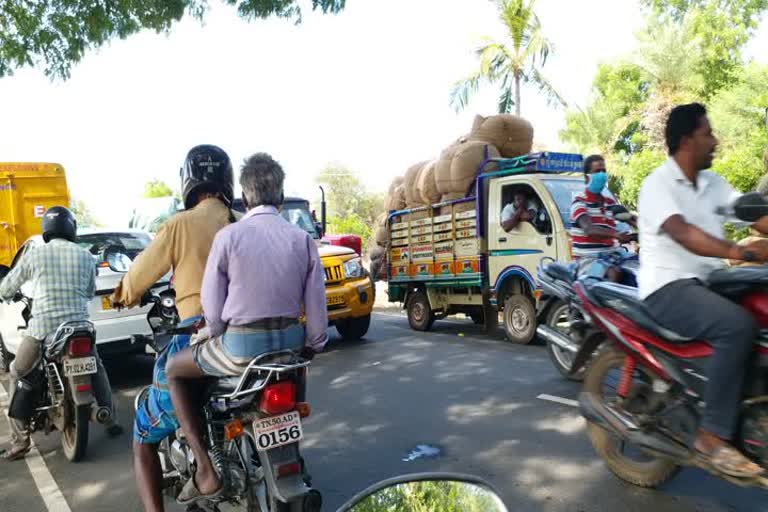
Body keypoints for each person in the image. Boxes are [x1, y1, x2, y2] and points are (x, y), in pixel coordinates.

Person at [165, 152, 328, 504]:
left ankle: (206, 471)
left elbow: (213, 310)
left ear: (246, 196)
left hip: (240, 350)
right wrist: (313, 344)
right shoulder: (302, 240)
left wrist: (213, 330)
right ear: (281, 197)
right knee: (296, 373)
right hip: (288, 349)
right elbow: (317, 317)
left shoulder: (229, 237)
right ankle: (292, 458)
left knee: (174, 370)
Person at [638, 103, 768, 478]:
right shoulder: (657, 184)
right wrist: (739, 251)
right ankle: (711, 437)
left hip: (711, 280)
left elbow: (752, 214)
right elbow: (684, 234)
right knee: (737, 326)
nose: (715, 141)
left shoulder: (714, 184)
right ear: (686, 140)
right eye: (708, 134)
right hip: (668, 286)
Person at [110, 144, 236, 512]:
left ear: (189, 182)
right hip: (246, 334)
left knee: (141, 433)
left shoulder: (179, 224)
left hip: (196, 335)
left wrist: (122, 296)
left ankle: (198, 471)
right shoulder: (241, 222)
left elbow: (137, 277)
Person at [0, 206, 122, 461]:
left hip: (43, 328)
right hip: (80, 328)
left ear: (46, 229)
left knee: (17, 371)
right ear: (71, 229)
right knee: (98, 367)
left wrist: (4, 293)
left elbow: (9, 285)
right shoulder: (86, 257)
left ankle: (20, 441)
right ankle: (110, 419)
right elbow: (89, 292)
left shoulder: (35, 255)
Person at [570, 154, 635, 282]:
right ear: (587, 177)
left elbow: (630, 218)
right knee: (613, 273)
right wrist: (616, 234)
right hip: (588, 259)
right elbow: (589, 228)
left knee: (637, 266)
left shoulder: (609, 203)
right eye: (597, 171)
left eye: (603, 171)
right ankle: (609, 303)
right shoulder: (579, 202)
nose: (601, 175)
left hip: (613, 254)